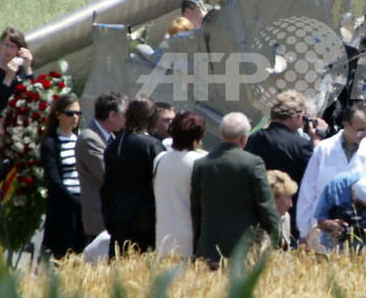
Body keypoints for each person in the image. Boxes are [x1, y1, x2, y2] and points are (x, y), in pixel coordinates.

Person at [190, 112, 280, 266]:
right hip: (243, 250)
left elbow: (196, 210)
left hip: (209, 249)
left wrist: (198, 246)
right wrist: (279, 241)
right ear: (244, 137)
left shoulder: (201, 164)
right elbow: (266, 208)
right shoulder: (253, 163)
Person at [297, 102, 366, 240]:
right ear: (346, 125)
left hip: (361, 235)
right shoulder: (323, 150)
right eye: (360, 130)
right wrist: (304, 232)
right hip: (322, 230)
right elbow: (307, 192)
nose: (364, 135)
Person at [245, 90, 325, 239]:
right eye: (302, 117)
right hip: (289, 216)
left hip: (257, 214)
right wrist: (316, 142)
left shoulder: (254, 138)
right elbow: (318, 174)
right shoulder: (300, 145)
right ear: (294, 117)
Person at [101, 96, 165, 256]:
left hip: (118, 215)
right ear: (151, 118)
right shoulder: (153, 145)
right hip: (145, 218)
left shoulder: (114, 145)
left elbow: (106, 186)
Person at [153, 111, 206, 257]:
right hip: (191, 239)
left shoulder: (160, 159)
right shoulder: (202, 161)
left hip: (163, 236)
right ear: (197, 139)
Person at [39, 93, 86, 259]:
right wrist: (73, 200)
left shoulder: (80, 140)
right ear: (58, 114)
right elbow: (53, 178)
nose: (75, 117)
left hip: (82, 206)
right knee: (62, 254)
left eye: (78, 114)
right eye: (70, 113)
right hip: (63, 207)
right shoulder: (50, 142)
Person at [75, 92, 126, 240]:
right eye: (124, 114)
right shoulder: (89, 138)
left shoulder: (111, 137)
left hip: (112, 216)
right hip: (99, 219)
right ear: (112, 115)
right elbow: (107, 174)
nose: (126, 119)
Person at [313, 174, 366, 252]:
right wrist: (332, 225)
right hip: (331, 247)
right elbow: (320, 221)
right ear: (353, 193)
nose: (362, 210)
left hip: (365, 250)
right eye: (360, 206)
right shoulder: (335, 187)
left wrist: (360, 232)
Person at [0, 27, 34, 115]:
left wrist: (28, 68)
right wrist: (8, 78)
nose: (8, 50)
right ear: (0, 45)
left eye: (13, 46)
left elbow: (33, 96)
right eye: (5, 44)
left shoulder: (22, 69)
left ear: (19, 50)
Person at [267, 170, 298, 250]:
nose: (291, 204)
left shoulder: (286, 217)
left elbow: (285, 248)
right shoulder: (257, 225)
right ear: (273, 198)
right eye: (287, 198)